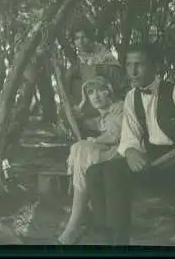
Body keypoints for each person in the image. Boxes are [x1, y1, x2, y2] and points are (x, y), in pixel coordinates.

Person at [85, 44, 175, 245]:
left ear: (154, 66)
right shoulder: (131, 97)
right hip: (150, 159)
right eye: (128, 65)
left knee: (113, 172)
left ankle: (120, 243)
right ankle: (106, 235)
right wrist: (129, 151)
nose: (133, 71)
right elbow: (130, 136)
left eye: (139, 65)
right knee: (93, 172)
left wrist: (160, 160)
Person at [57, 76, 124, 244]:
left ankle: (75, 221)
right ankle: (80, 216)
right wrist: (79, 106)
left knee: (83, 148)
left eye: (101, 90)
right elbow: (78, 121)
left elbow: (115, 134)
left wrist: (95, 141)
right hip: (110, 154)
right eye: (90, 93)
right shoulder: (102, 117)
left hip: (124, 154)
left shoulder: (120, 108)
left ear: (109, 91)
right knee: (80, 149)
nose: (96, 96)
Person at [66, 21, 125, 107]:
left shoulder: (104, 58)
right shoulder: (81, 60)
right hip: (92, 109)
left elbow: (120, 87)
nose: (81, 42)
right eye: (77, 38)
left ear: (91, 37)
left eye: (84, 37)